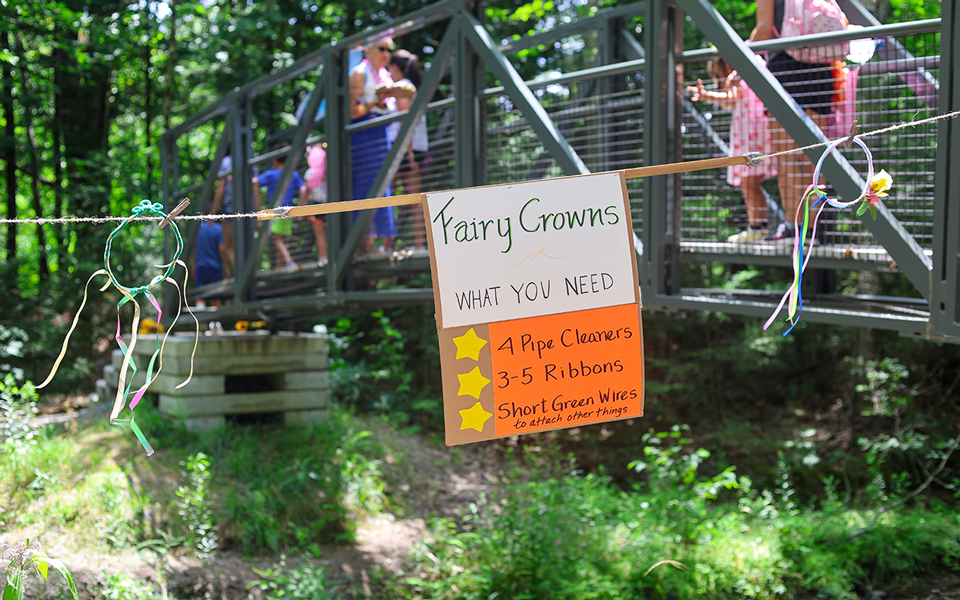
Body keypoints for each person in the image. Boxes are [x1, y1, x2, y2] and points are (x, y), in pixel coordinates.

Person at [753, 0, 843, 243]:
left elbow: (763, 29)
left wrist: (741, 54)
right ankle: (813, 228)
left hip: (786, 67)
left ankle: (794, 227)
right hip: (822, 69)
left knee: (788, 156)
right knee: (815, 157)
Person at [687, 57, 778, 243]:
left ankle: (756, 228)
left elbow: (732, 97)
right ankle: (759, 227)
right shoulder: (743, 76)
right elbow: (731, 100)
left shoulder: (742, 75)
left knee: (749, 182)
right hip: (749, 133)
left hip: (750, 134)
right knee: (752, 183)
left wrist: (707, 95)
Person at [349, 37, 408, 254]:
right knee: (367, 187)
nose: (386, 53)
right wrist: (375, 100)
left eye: (388, 50)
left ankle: (384, 246)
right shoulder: (359, 72)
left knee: (384, 188)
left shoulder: (384, 75)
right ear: (369, 50)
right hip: (363, 133)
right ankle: (366, 246)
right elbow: (351, 111)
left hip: (382, 133)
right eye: (381, 49)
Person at [387, 49, 429, 250]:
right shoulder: (412, 86)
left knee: (393, 196)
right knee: (412, 198)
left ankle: (388, 246)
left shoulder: (401, 86)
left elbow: (406, 122)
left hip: (406, 148)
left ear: (395, 67)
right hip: (415, 146)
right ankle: (418, 245)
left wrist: (409, 153)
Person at [253, 145, 306, 270]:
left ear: (274, 160)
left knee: (277, 240)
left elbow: (255, 181)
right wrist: (301, 207)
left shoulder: (271, 174)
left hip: (276, 210)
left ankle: (290, 263)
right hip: (290, 210)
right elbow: (304, 189)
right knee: (280, 238)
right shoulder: (294, 174)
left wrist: (257, 206)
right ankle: (278, 268)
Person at [303, 144, 328, 265]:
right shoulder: (327, 172)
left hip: (316, 206)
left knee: (320, 235)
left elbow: (306, 191)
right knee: (331, 232)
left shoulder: (310, 173)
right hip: (329, 205)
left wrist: (300, 208)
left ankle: (324, 258)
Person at [210, 155, 234, 277]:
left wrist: (212, 213)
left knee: (229, 246)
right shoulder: (250, 156)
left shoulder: (226, 161)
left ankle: (241, 275)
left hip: (229, 207)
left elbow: (221, 187)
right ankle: (248, 273)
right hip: (248, 208)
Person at [193, 219, 224, 290]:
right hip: (215, 266)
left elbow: (193, 249)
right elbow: (221, 248)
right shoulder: (219, 228)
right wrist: (226, 266)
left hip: (200, 266)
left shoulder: (199, 228)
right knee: (215, 295)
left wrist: (193, 266)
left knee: (200, 294)